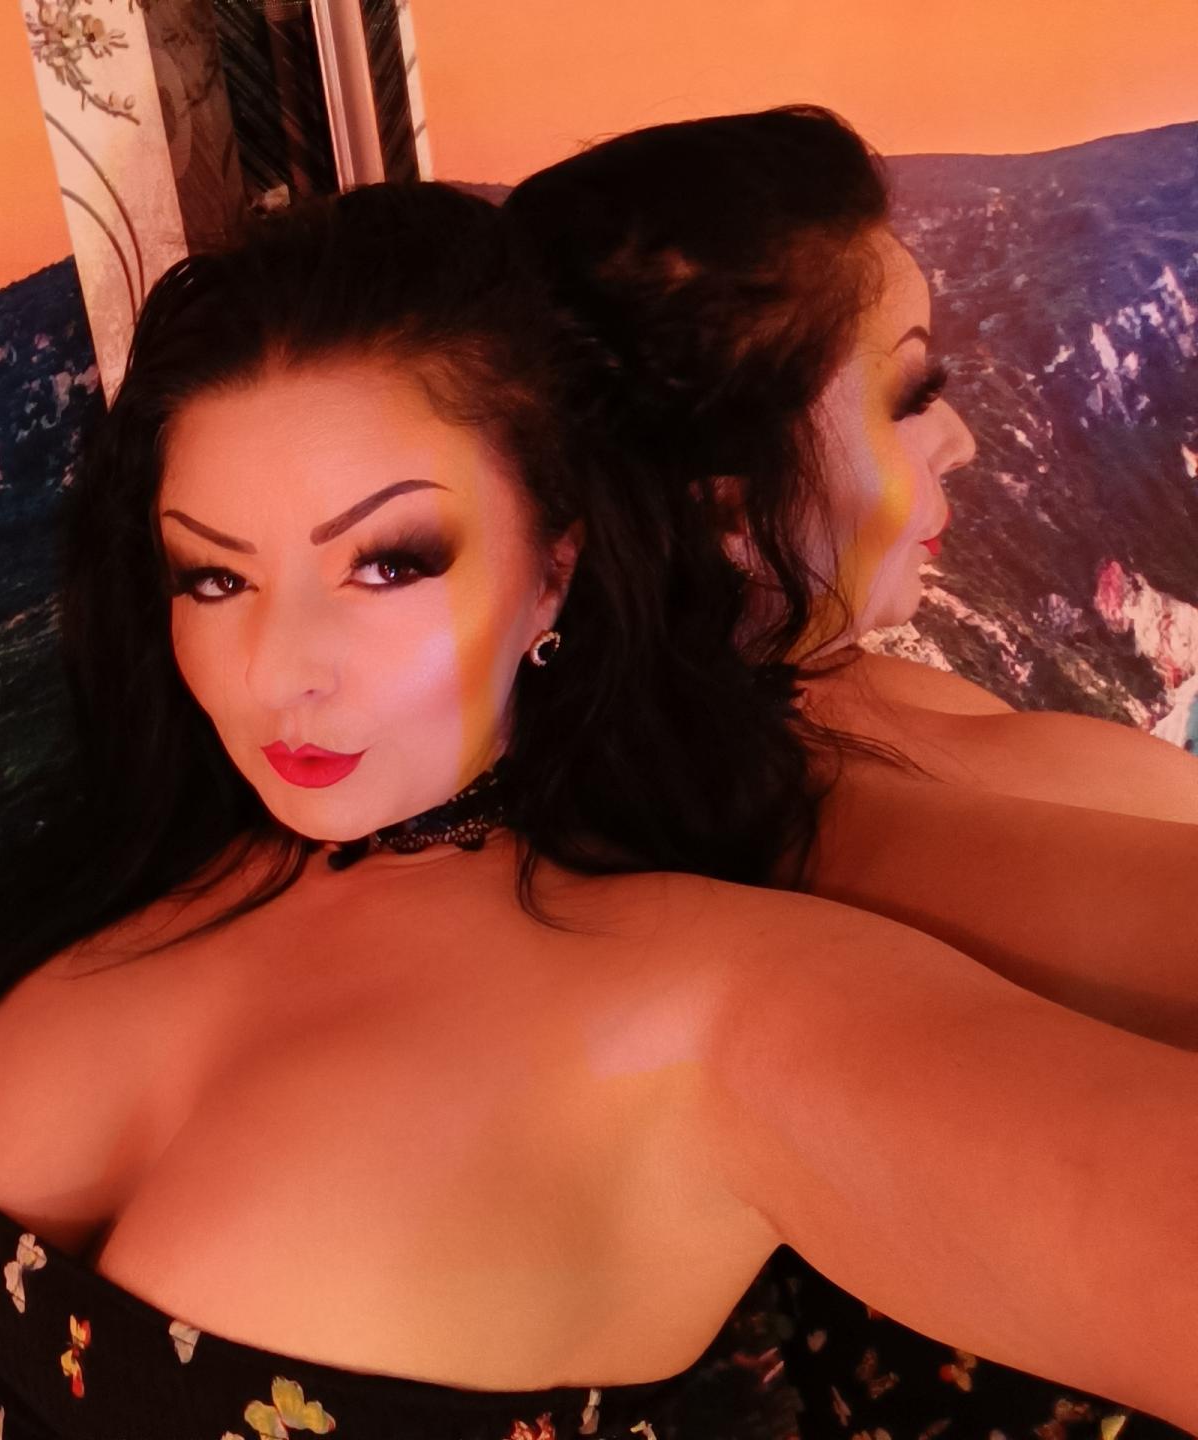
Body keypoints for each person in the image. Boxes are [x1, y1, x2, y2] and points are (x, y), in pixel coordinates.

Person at [0, 182, 1198, 1440]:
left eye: (388, 563)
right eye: (213, 576)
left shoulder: (723, 1009)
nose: (275, 670)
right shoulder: (181, 857)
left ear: (555, 570)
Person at [503, 107, 1198, 1437]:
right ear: (724, 499)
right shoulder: (811, 832)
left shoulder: (791, 719)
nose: (964, 441)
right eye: (909, 394)